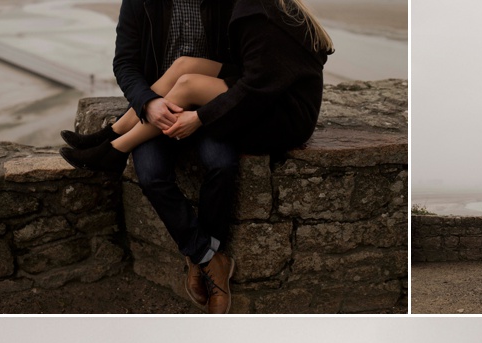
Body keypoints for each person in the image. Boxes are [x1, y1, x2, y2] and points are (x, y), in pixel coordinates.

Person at [60, 0, 333, 313]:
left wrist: (200, 117)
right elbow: (125, 63)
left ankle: (115, 153)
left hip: (223, 101)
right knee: (152, 173)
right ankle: (205, 255)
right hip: (159, 101)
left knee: (221, 163)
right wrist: (148, 103)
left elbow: (256, 77)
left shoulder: (243, 6)